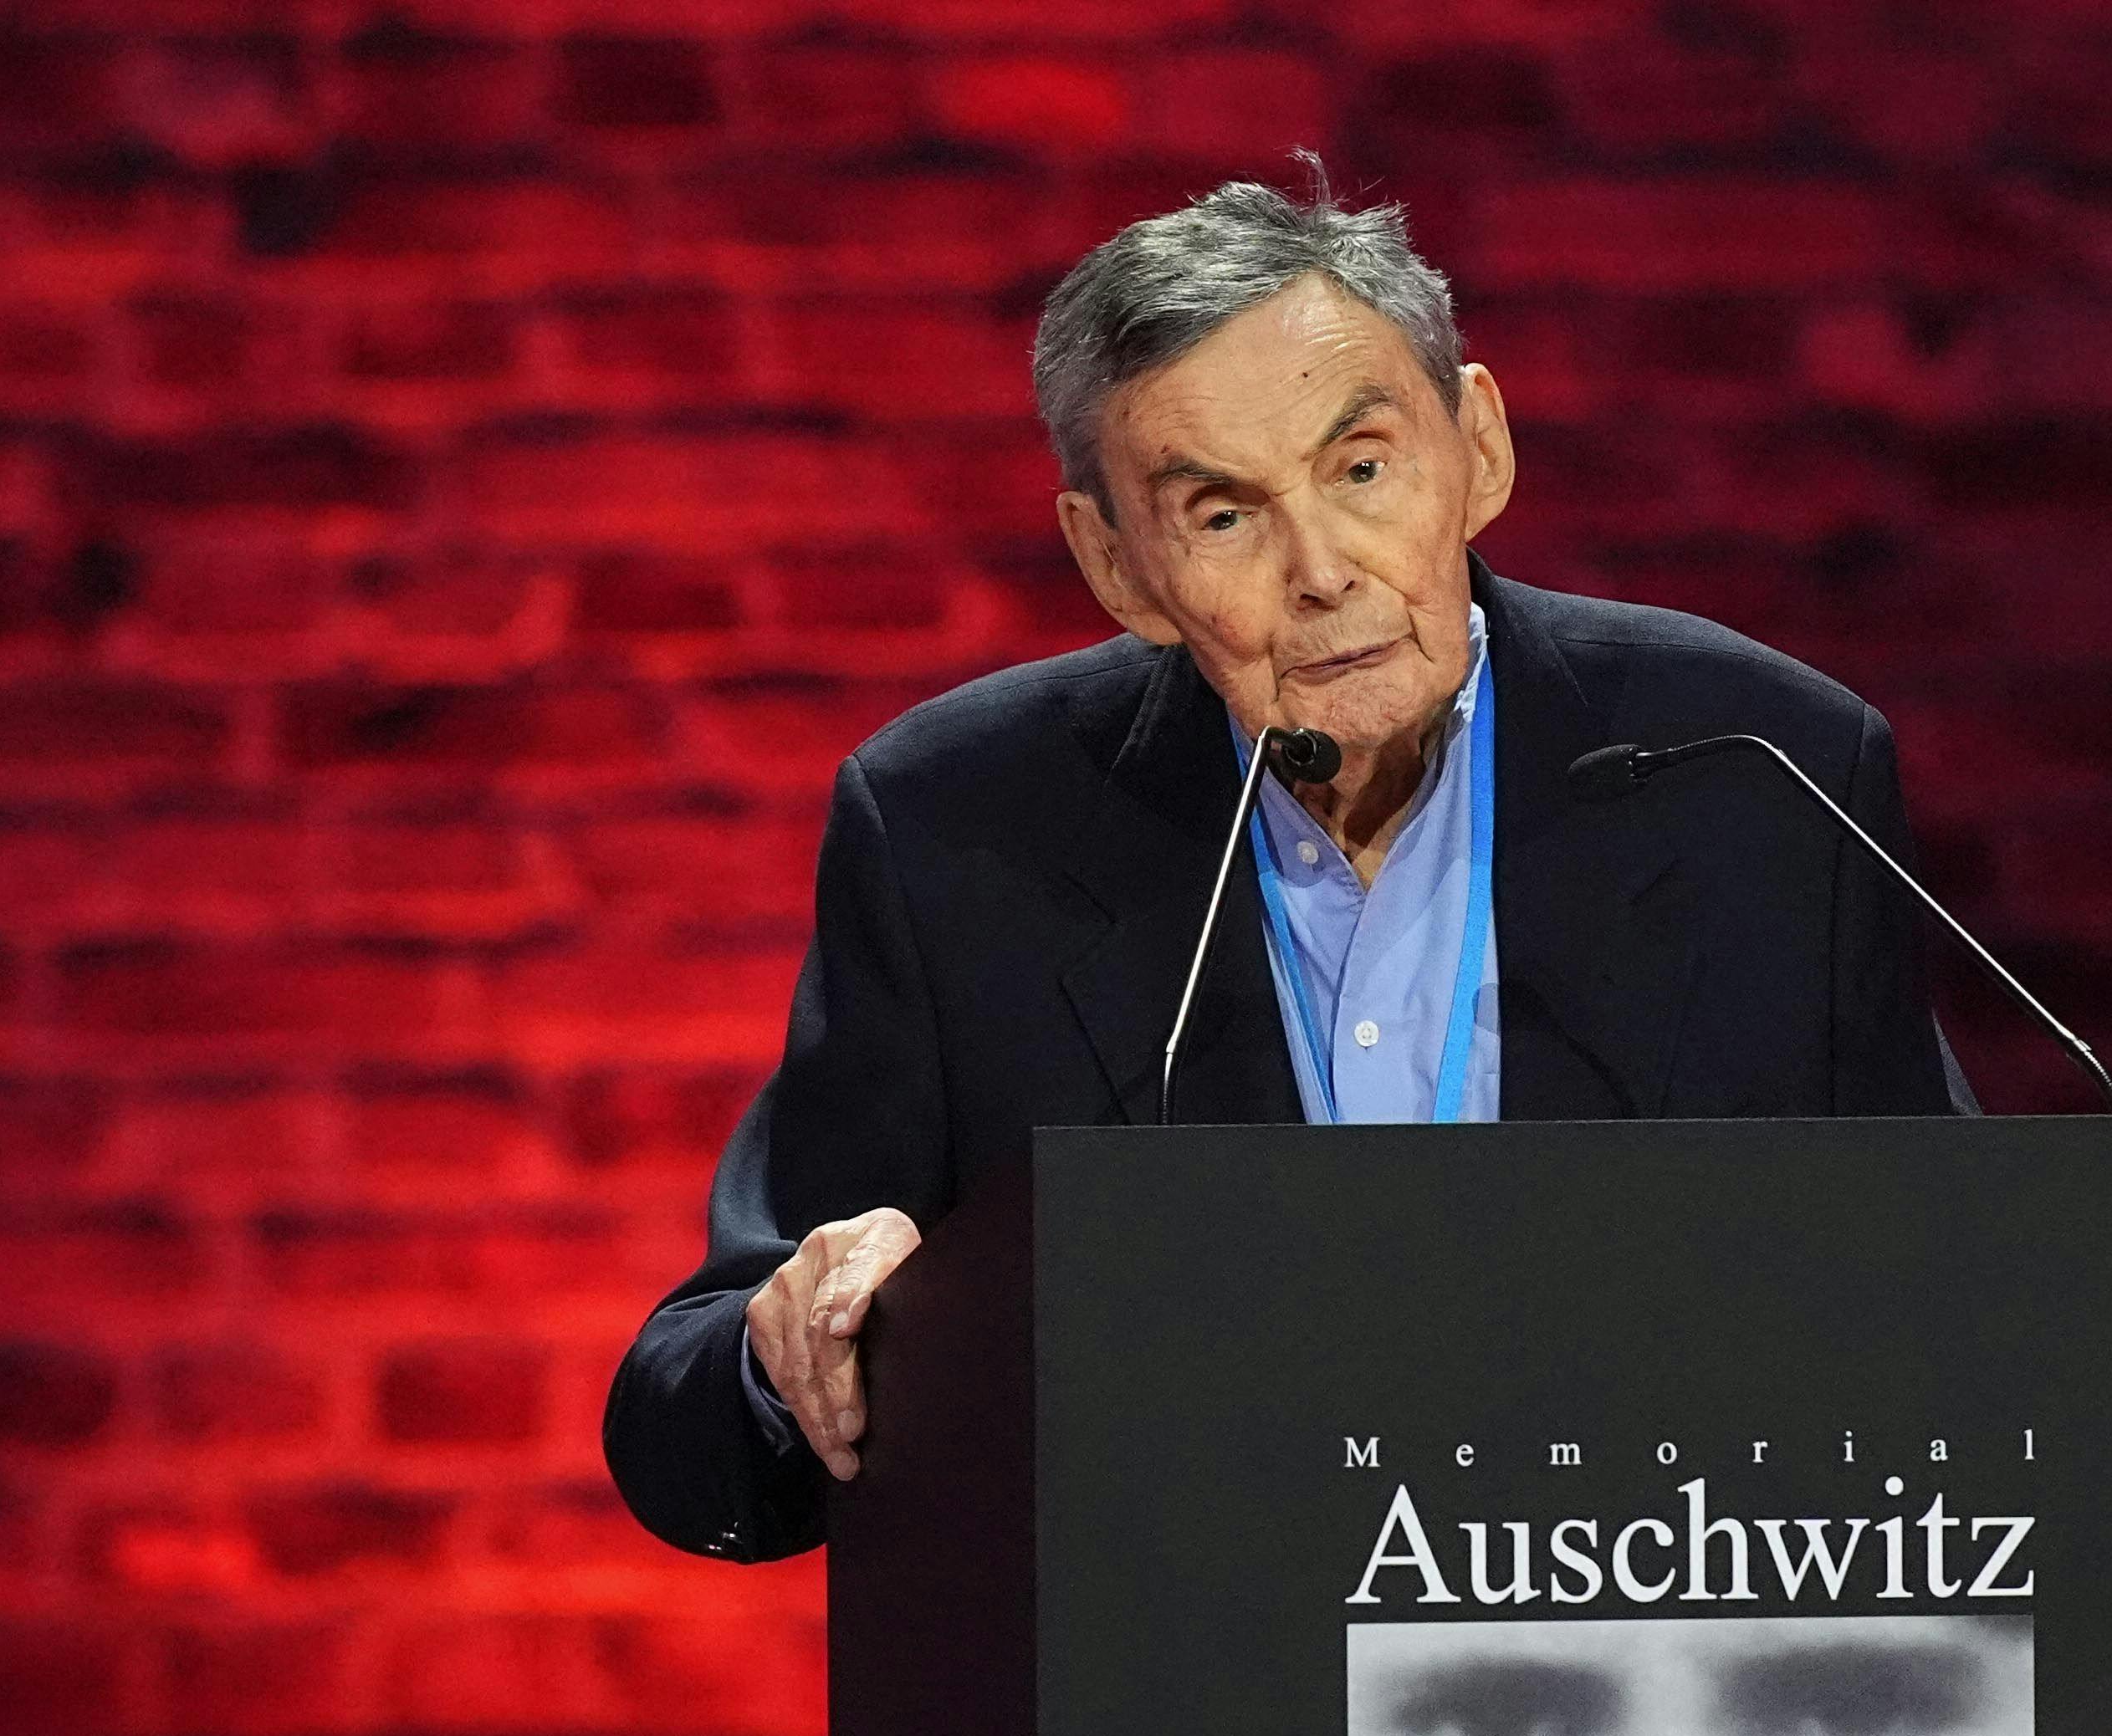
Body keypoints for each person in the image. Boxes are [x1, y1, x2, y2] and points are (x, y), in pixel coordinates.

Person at [602, 161, 1971, 1563]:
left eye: (1363, 468)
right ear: (1116, 565)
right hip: (1190, 1712)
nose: (1322, 568)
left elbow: (1967, 1306)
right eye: (1222, 515)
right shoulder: (962, 834)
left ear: (1478, 447)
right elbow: (691, 1408)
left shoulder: (1761, 773)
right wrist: (796, 1353)